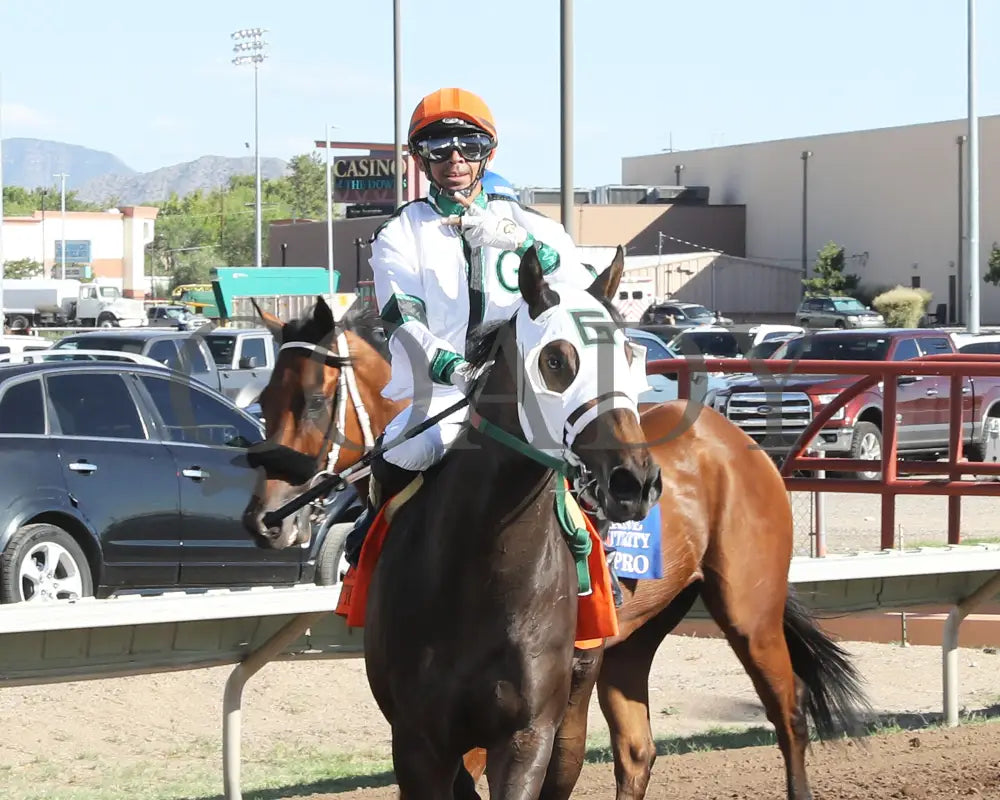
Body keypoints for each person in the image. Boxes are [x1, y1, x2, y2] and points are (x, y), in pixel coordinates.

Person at [343, 87, 611, 576]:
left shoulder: (534, 227)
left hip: (531, 389)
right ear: (418, 159)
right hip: (446, 389)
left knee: (596, 449)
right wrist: (450, 366)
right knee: (405, 450)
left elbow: (581, 294)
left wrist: (529, 244)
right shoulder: (399, 235)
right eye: (437, 148)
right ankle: (375, 551)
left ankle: (596, 565)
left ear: (490, 152)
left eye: (468, 145)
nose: (454, 159)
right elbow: (402, 318)